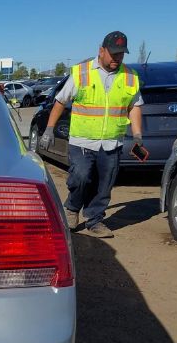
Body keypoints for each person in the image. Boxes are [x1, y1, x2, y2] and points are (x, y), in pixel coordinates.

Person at [39, 31, 145, 238]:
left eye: (121, 54)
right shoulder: (82, 72)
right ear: (101, 50)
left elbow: (135, 107)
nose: (117, 58)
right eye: (113, 54)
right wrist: (49, 130)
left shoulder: (130, 77)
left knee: (104, 184)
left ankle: (95, 220)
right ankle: (71, 208)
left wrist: (138, 135)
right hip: (83, 140)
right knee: (81, 177)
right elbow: (61, 101)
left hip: (112, 141)